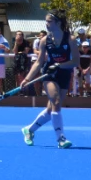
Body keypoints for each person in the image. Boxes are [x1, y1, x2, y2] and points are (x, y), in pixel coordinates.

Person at [20, 10, 77, 149]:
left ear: (58, 23)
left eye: (49, 21)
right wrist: (27, 79)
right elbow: (39, 62)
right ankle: (61, 138)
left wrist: (59, 65)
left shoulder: (70, 39)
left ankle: (29, 129)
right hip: (49, 74)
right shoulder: (44, 41)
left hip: (64, 73)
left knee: (51, 108)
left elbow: (75, 61)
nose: (46, 24)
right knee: (56, 102)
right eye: (46, 21)